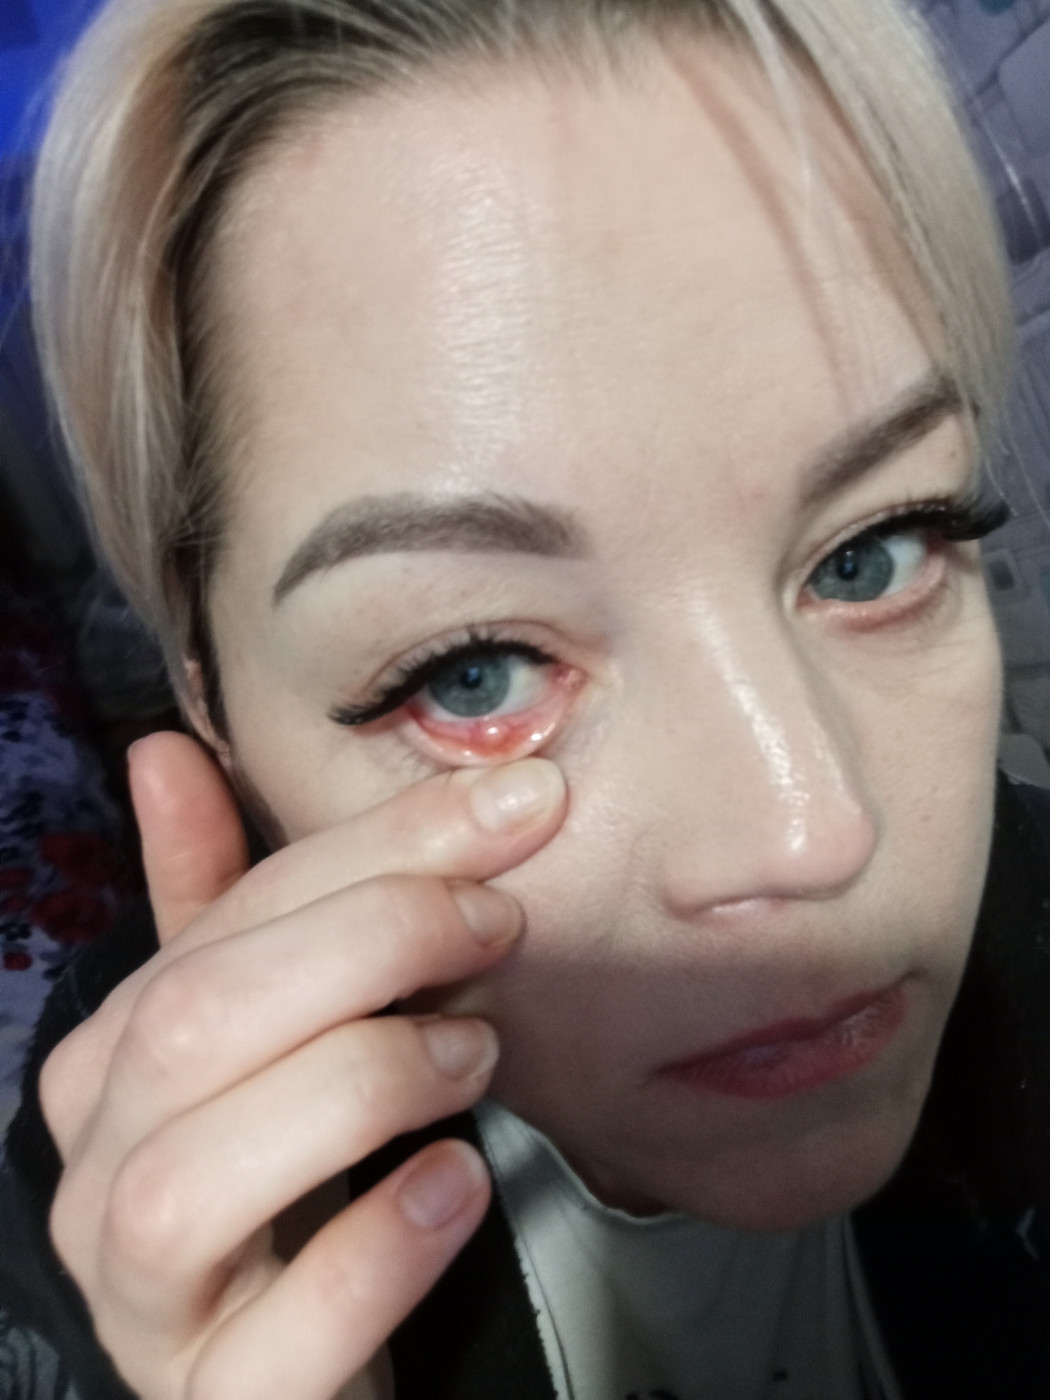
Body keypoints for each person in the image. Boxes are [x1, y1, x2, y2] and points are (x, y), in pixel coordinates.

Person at [2, 0, 1049, 1396]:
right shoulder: (118, 1215)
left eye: (876, 552)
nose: (813, 834)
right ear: (221, 722)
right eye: (473, 670)